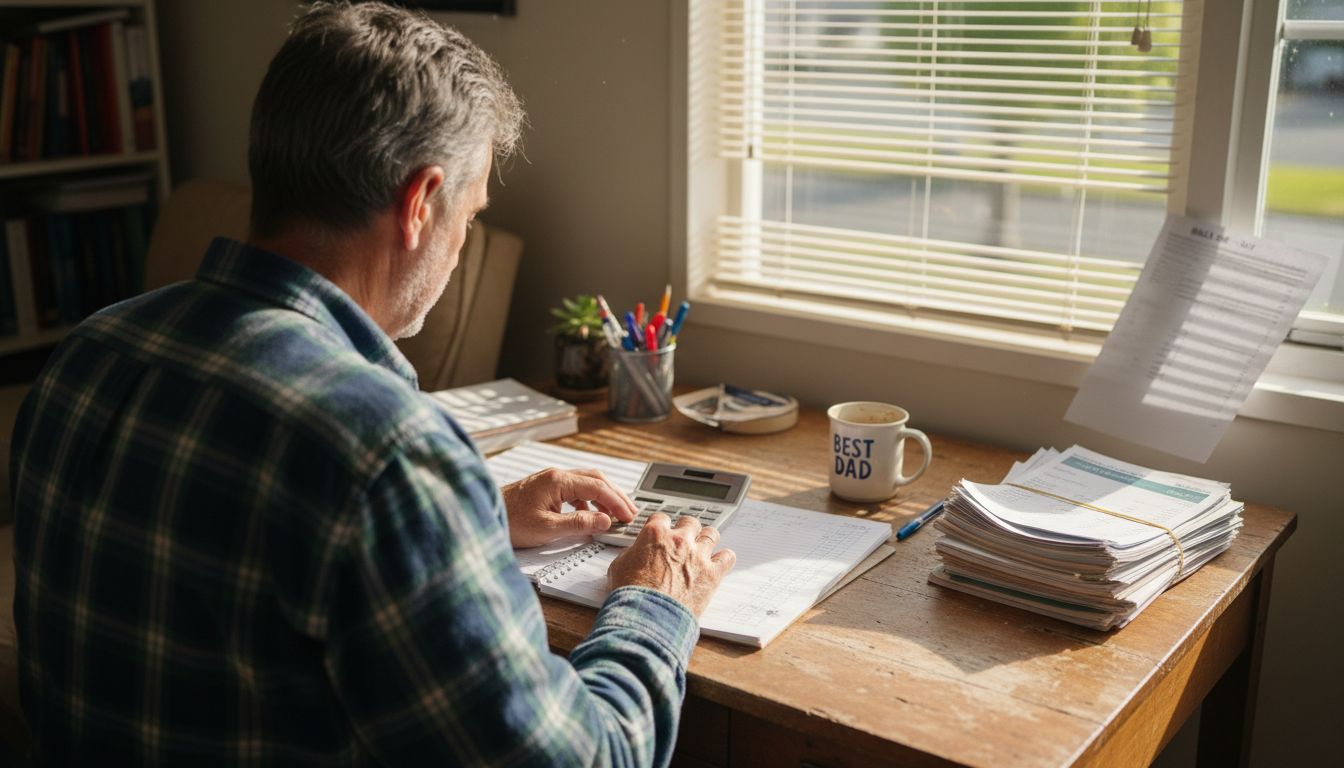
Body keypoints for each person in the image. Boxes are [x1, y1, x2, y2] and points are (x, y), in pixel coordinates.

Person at [8, 2, 735, 765]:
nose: (462, 245)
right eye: (470, 214)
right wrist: (656, 601)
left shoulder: (88, 357)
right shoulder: (387, 456)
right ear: (421, 204)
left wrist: (475, 512)